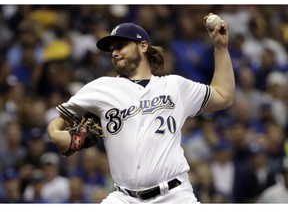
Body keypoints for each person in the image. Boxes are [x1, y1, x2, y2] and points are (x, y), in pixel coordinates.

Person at [47, 13, 235, 203]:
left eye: (120, 46)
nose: (114, 53)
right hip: (123, 199)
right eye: (112, 49)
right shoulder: (101, 88)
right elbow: (60, 118)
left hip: (174, 195)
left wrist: (220, 47)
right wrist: (55, 133)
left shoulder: (174, 86)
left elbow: (223, 96)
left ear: (143, 46)